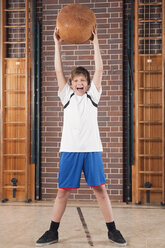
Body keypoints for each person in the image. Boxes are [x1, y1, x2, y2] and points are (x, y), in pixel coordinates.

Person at [36, 27, 127, 247]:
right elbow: (58, 71)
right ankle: (52, 231)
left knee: (101, 191)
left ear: (87, 84)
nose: (79, 83)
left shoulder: (93, 97)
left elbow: (100, 68)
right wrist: (57, 44)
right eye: (76, 80)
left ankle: (112, 230)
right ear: (71, 83)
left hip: (91, 150)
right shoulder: (66, 96)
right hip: (70, 150)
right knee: (61, 193)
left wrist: (95, 42)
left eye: (83, 80)